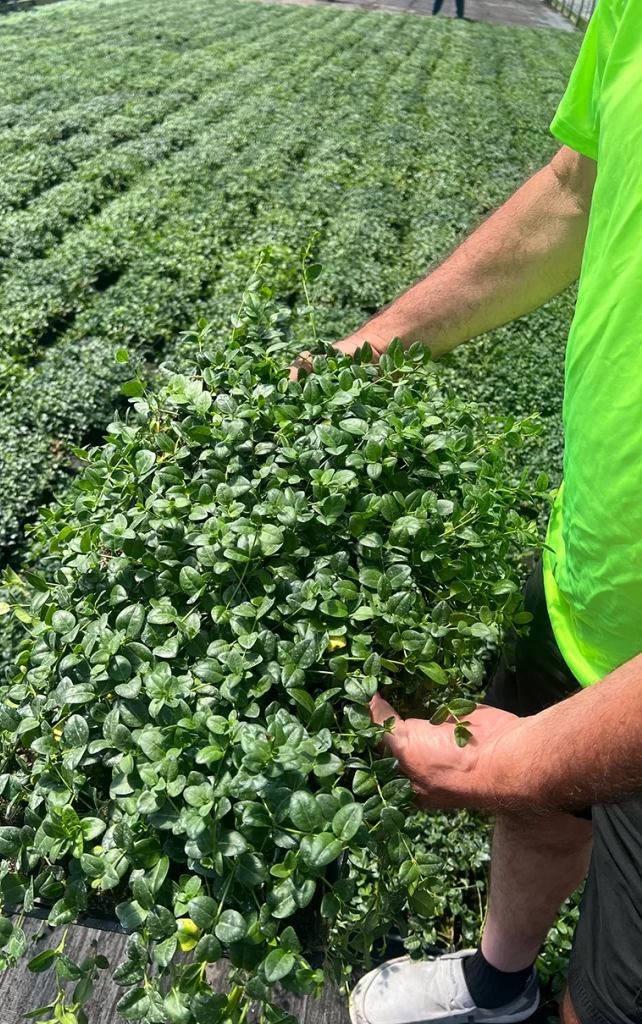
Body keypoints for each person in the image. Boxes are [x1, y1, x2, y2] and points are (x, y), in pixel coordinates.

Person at [295, 1, 642, 1021]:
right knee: (539, 807)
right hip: (596, 559)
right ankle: (498, 984)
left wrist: (515, 758)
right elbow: (581, 186)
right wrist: (373, 352)